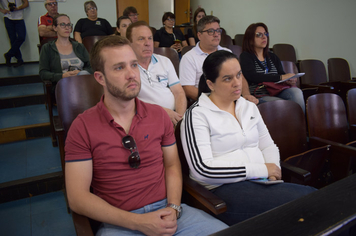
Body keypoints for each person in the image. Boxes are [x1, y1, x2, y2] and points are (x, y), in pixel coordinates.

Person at [64, 35, 228, 235]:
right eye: (119, 67)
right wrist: (138, 222)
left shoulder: (159, 115)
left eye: (134, 65)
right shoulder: (82, 127)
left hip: (169, 213)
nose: (132, 74)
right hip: (120, 221)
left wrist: (173, 208)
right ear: (100, 78)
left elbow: (172, 165)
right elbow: (77, 198)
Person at [180, 50, 316, 226]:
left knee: (314, 199)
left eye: (238, 75)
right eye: (227, 79)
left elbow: (268, 145)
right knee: (307, 203)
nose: (237, 83)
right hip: (222, 191)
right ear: (210, 84)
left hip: (261, 182)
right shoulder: (196, 115)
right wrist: (262, 170)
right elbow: (203, 169)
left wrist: (273, 172)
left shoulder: (248, 107)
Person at [179, 15, 258, 104]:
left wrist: (246, 94)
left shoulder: (227, 52)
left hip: (232, 100)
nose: (216, 34)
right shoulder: (189, 57)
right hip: (207, 103)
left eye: (218, 30)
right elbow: (188, 88)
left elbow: (240, 76)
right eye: (211, 31)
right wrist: (214, 101)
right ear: (199, 35)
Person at [127, 21, 187, 126]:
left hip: (173, 117)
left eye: (150, 38)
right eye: (141, 39)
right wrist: (163, 113)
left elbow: (179, 93)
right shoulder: (126, 68)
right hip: (145, 119)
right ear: (129, 43)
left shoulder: (165, 61)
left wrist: (179, 120)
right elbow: (130, 104)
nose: (147, 43)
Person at [239, 22, 305, 112]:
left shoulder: (272, 56)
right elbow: (252, 76)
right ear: (250, 40)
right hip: (259, 94)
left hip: (277, 90)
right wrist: (281, 77)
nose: (264, 37)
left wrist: (289, 79)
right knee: (281, 104)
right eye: (259, 35)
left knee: (296, 92)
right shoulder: (246, 56)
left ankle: (301, 124)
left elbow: (281, 74)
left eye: (265, 34)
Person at [39, 14, 92, 96]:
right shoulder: (48, 48)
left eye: (69, 25)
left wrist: (81, 72)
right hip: (63, 86)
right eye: (63, 24)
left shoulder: (79, 46)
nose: (67, 27)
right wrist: (62, 76)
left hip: (82, 82)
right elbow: (43, 73)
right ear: (55, 28)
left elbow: (92, 66)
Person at [0, 0, 28, 67]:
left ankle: (8, 54)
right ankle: (19, 59)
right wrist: (1, 10)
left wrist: (18, 8)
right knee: (13, 39)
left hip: (19, 18)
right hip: (8, 17)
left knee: (21, 37)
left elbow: (26, 3)